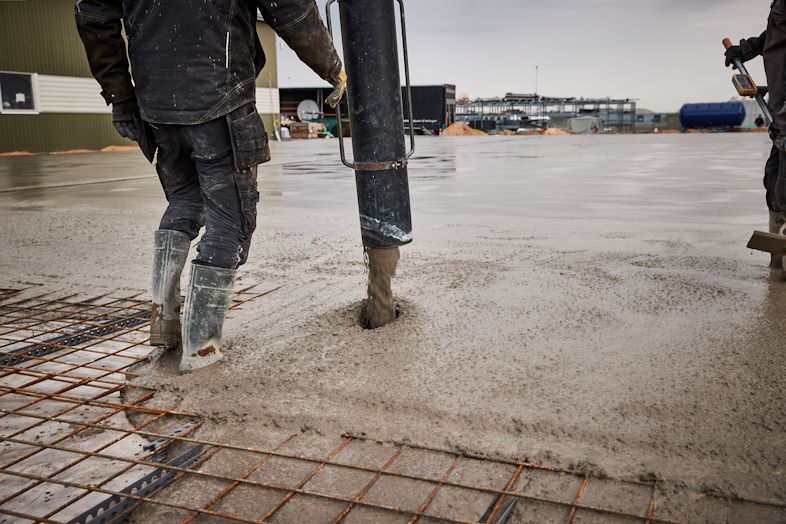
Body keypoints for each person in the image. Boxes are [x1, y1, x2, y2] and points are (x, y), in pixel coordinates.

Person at [75, 0, 346, 372]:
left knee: (184, 201)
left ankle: (165, 321)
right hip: (219, 96)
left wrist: (120, 95)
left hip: (156, 103)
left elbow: (93, 15)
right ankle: (200, 351)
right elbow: (292, 10)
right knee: (228, 224)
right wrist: (331, 67)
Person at [725, 0, 786, 270]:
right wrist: (748, 48)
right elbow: (776, 36)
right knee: (774, 180)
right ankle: (777, 264)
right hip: (780, 114)